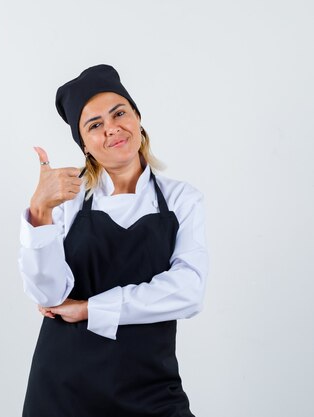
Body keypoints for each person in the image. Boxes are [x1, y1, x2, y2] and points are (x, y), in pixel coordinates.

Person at [18, 64, 209, 417]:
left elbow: (188, 291)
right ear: (85, 145)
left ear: (137, 117)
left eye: (119, 113)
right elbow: (48, 295)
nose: (112, 129)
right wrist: (40, 209)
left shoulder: (183, 199)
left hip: (150, 388)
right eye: (94, 125)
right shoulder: (68, 202)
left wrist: (91, 309)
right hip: (63, 389)